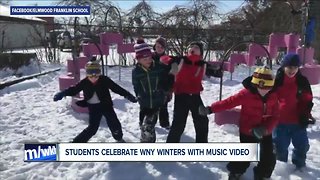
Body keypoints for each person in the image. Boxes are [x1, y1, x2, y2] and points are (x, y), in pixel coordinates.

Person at [199, 67, 279, 180]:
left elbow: (275, 116)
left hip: (265, 131)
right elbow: (228, 103)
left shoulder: (274, 96)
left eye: (267, 88)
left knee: (268, 155)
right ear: (254, 84)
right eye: (260, 87)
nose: (263, 91)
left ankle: (263, 174)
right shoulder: (246, 94)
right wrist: (210, 109)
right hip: (248, 131)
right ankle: (235, 172)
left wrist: (265, 129)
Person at [53, 61, 137, 143]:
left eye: (96, 72)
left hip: (106, 106)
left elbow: (116, 88)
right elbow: (74, 89)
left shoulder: (104, 80)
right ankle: (77, 143)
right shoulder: (84, 82)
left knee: (114, 123)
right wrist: (63, 93)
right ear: (87, 74)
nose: (93, 76)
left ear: (100, 72)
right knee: (92, 128)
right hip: (94, 108)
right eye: (90, 73)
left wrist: (128, 95)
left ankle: (119, 138)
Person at [272, 53, 314, 170]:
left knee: (302, 146)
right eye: (290, 67)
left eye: (296, 67)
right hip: (280, 122)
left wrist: (305, 114)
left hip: (298, 121)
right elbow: (270, 99)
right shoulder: (277, 81)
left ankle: (299, 167)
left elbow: (307, 99)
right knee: (280, 147)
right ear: (284, 66)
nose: (293, 70)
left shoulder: (302, 81)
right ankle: (281, 169)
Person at [164, 41, 209, 143]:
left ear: (201, 52)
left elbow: (215, 70)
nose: (193, 48)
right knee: (178, 123)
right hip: (181, 96)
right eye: (191, 46)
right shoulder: (181, 61)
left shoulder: (203, 65)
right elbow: (163, 59)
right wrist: (172, 62)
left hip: (195, 96)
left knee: (202, 121)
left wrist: (218, 71)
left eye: (196, 47)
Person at [132, 38, 172, 143]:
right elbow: (136, 85)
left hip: (157, 101)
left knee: (149, 125)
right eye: (144, 59)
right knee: (143, 124)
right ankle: (144, 138)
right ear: (139, 60)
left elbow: (166, 79)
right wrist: (139, 95)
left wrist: (164, 92)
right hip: (144, 101)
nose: (148, 61)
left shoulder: (158, 68)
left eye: (149, 58)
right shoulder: (136, 72)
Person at [151, 36, 174, 129]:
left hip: (165, 87)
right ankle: (150, 123)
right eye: (157, 46)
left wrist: (170, 90)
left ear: (164, 48)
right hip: (153, 86)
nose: (159, 49)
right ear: (154, 47)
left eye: (161, 47)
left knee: (163, 107)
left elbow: (172, 75)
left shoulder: (168, 59)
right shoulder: (150, 58)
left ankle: (165, 123)